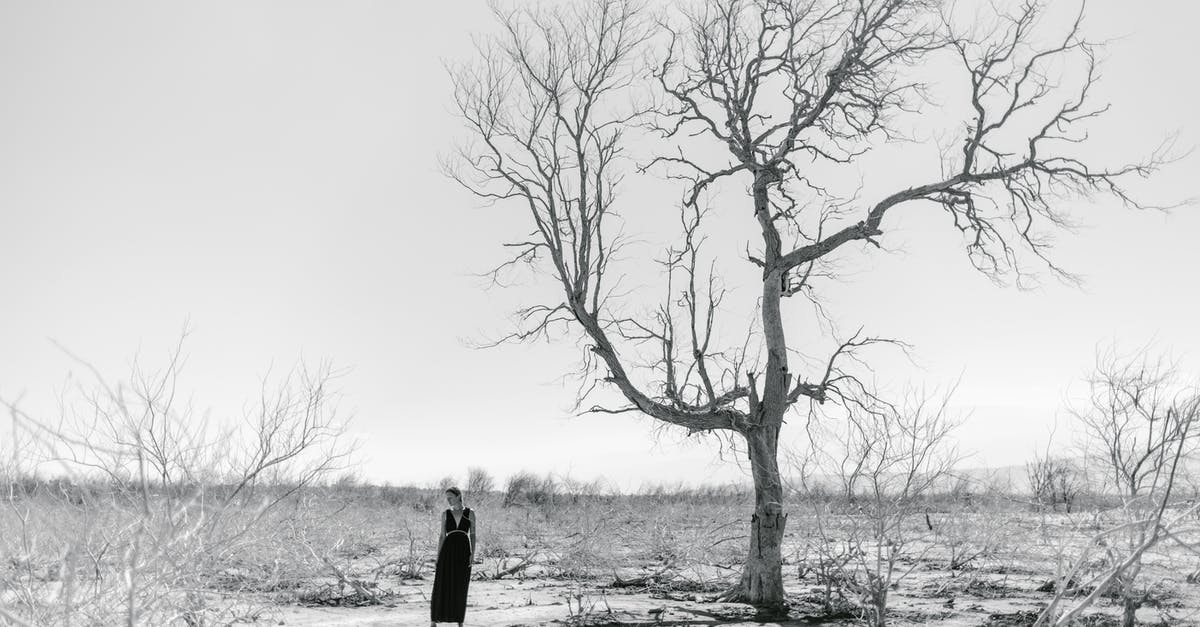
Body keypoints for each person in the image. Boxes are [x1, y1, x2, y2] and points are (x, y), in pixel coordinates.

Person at [430, 486, 476, 626]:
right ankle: (434, 620)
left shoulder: (470, 513)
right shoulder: (445, 514)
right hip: (447, 551)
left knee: (460, 586)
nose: (448, 500)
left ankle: (459, 620)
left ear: (458, 496)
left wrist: (472, 554)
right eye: (447, 498)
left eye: (450, 497)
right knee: (441, 583)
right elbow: (442, 536)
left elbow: (473, 535)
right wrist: (438, 557)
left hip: (463, 551)